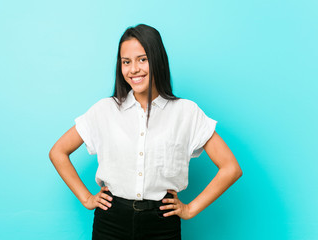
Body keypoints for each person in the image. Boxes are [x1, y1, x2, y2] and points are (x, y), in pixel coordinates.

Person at [49, 24, 243, 240]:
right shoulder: (105, 110)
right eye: (126, 62)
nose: (133, 69)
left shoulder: (186, 112)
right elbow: (58, 152)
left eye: (142, 59)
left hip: (161, 225)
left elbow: (231, 168)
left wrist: (190, 209)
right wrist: (86, 198)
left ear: (157, 60)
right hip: (111, 223)